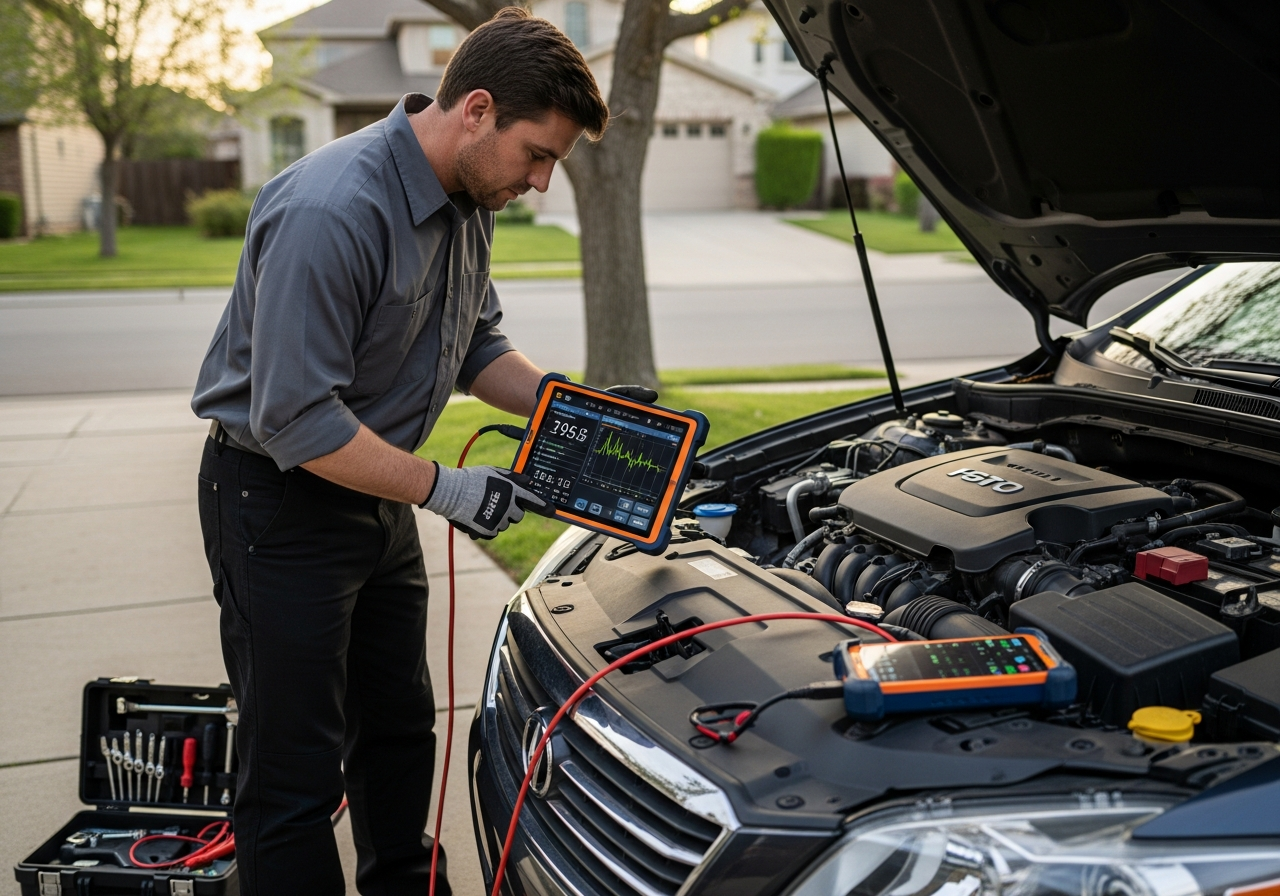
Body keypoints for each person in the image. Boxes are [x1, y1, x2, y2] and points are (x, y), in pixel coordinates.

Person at [190, 9, 609, 894]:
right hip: (277, 503)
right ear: (479, 109)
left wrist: (572, 411)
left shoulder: (467, 196)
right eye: (538, 155)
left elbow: (475, 344)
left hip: (375, 494)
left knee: (396, 736)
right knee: (291, 775)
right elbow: (299, 420)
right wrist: (449, 490)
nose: (539, 183)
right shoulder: (331, 209)